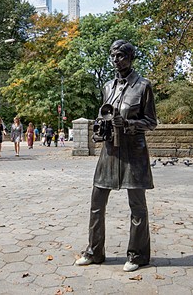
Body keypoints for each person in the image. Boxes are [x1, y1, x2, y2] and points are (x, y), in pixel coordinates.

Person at [75, 40, 157, 272]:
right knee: (97, 202)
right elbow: (104, 115)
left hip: (133, 153)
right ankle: (94, 251)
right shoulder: (108, 87)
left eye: (120, 55)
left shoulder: (143, 86)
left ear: (130, 57)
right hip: (109, 152)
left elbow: (151, 122)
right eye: (113, 56)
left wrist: (129, 124)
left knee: (137, 206)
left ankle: (137, 255)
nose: (115, 60)